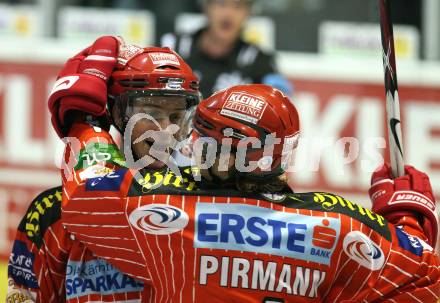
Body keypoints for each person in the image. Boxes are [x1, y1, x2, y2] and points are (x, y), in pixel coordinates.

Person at [46, 36, 439, 301]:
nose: (188, 142)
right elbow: (424, 277)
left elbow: (88, 191)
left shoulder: (179, 219)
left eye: (205, 136)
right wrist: (408, 217)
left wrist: (83, 118)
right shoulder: (342, 225)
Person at [6, 38, 201, 302]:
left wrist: (85, 123)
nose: (167, 130)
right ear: (118, 113)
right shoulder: (51, 213)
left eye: (177, 118)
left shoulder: (203, 205)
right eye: (152, 113)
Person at [161, 0, 293, 98]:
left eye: (238, 6)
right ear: (206, 7)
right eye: (221, 3)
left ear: (248, 13)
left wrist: (278, 97)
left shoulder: (259, 61)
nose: (228, 14)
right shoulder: (172, 47)